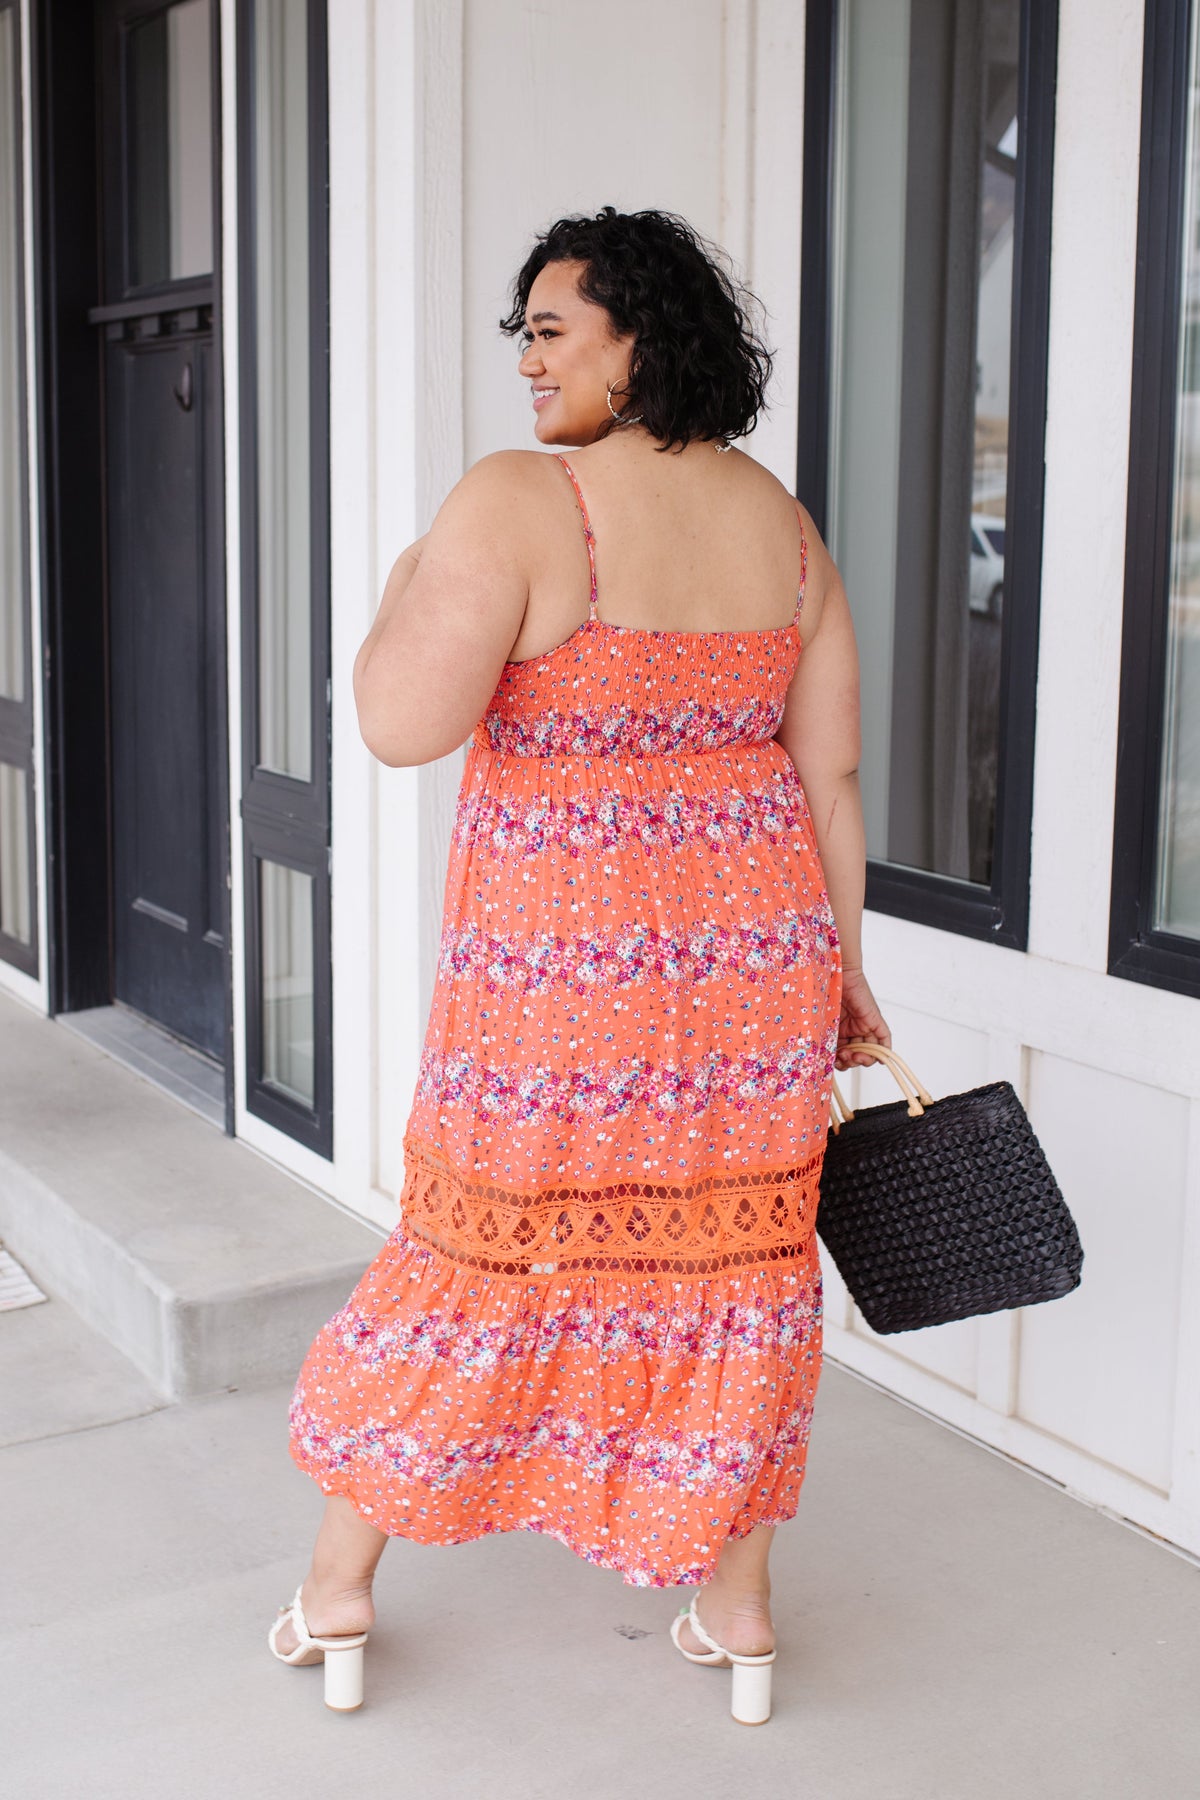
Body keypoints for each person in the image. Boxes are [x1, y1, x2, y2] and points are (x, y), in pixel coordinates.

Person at [268, 205, 890, 1723]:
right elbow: (831, 787)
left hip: (562, 995)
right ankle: (736, 1613)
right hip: (754, 988)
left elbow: (399, 723)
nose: (529, 362)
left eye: (552, 329)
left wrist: (408, 581)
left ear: (636, 335)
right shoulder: (784, 524)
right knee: (736, 1279)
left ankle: (341, 1588)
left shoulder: (520, 500)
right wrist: (843, 982)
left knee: (483, 1266)